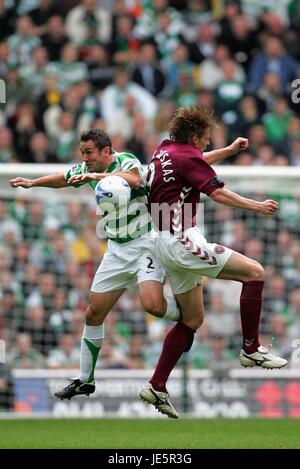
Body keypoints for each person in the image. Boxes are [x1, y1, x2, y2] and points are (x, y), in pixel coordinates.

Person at [10, 128, 182, 399]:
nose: (85, 158)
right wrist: (34, 183)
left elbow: (134, 179)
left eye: (89, 152)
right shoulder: (87, 169)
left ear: (105, 151)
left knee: (152, 305)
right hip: (116, 250)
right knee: (93, 313)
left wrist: (97, 176)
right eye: (82, 153)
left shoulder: (126, 160)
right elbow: (64, 178)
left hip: (146, 243)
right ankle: (85, 380)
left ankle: (187, 318)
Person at [139, 107, 288, 419]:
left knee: (192, 320)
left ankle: (156, 385)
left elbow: (196, 163)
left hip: (160, 240)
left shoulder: (163, 150)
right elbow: (217, 193)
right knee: (255, 273)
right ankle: (251, 349)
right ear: (194, 137)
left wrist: (230, 150)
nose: (206, 146)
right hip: (181, 240)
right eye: (205, 141)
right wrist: (256, 205)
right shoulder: (186, 156)